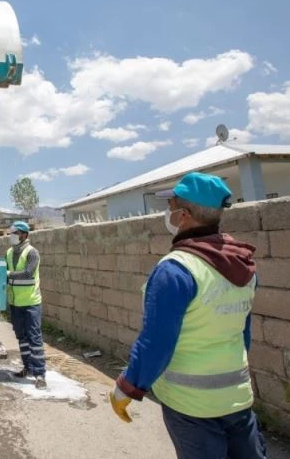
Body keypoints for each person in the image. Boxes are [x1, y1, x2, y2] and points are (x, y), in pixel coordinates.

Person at [109, 172, 267, 459]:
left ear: (183, 215)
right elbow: (243, 332)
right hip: (237, 397)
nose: (167, 212)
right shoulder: (243, 264)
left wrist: (127, 387)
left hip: (191, 405)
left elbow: (156, 343)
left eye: (170, 206)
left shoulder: (176, 269)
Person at [5, 221, 47, 389]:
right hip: (15, 303)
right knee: (21, 337)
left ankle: (40, 374)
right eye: (11, 232)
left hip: (31, 303)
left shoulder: (32, 252)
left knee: (34, 337)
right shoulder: (9, 252)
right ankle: (27, 367)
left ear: (24, 234)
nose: (12, 235)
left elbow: (28, 273)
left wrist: (8, 273)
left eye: (15, 233)